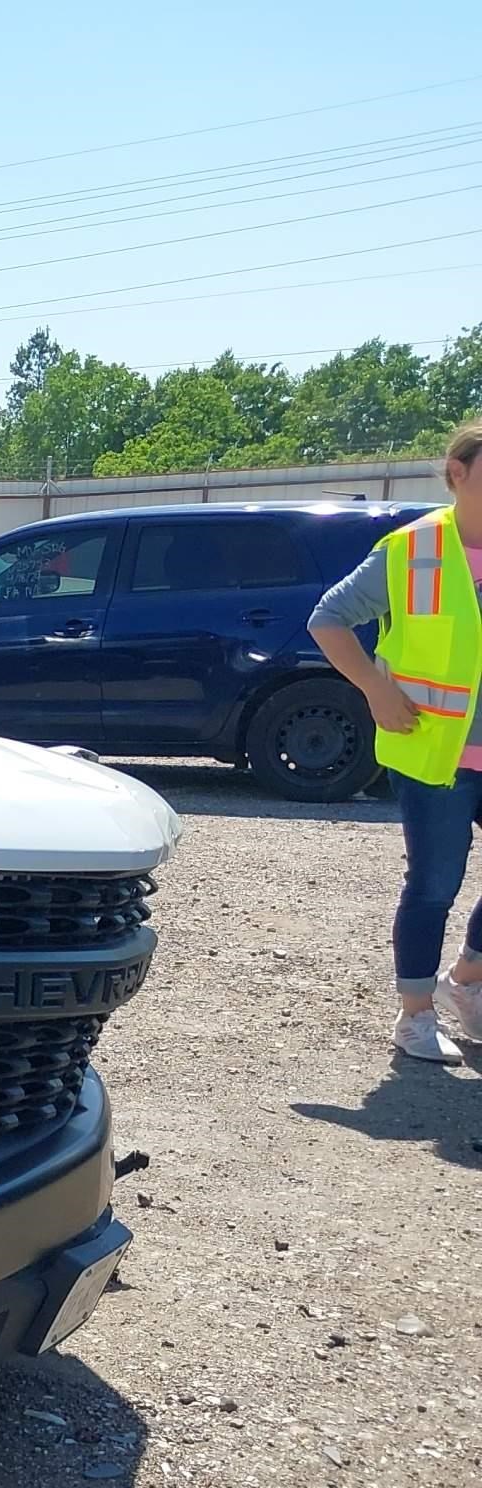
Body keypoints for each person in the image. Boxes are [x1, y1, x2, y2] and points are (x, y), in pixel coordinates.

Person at [308, 421, 482, 1062]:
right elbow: (327, 619)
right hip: (435, 750)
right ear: (457, 474)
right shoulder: (414, 550)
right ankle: (415, 1016)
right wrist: (374, 691)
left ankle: (466, 983)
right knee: (436, 882)